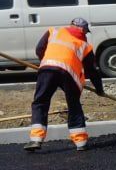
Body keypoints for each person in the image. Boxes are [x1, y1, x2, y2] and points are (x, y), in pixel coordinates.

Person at [25, 16, 105, 152]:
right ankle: (81, 143)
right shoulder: (85, 46)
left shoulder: (53, 31)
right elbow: (92, 71)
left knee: (40, 102)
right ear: (84, 31)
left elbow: (39, 49)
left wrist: (49, 61)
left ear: (70, 25)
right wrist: (99, 89)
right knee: (73, 105)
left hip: (48, 69)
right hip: (70, 76)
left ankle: (36, 140)